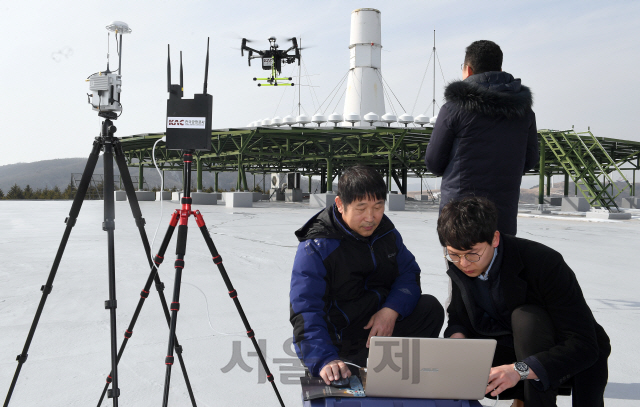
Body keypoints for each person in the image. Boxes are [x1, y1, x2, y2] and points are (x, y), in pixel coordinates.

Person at [437, 196, 610, 407]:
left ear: (495, 239)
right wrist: (458, 337)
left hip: (564, 351)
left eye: (472, 254)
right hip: (507, 343)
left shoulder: (544, 263)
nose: (463, 263)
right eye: (454, 255)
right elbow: (458, 313)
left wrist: (519, 370)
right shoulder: (461, 261)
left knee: (526, 318)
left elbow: (583, 344)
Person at [289, 165, 444, 384]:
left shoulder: (386, 232)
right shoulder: (317, 246)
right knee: (341, 382)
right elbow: (306, 308)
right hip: (342, 340)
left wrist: (391, 310)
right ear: (340, 205)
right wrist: (324, 358)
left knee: (429, 309)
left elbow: (408, 273)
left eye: (378, 207)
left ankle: (402, 381)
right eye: (361, 208)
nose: (371, 217)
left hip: (381, 328)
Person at [425, 40, 538, 236]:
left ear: (467, 70)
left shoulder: (453, 109)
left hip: (459, 217)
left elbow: (434, 162)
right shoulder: (524, 111)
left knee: (463, 264)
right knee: (500, 264)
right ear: (501, 68)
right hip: (502, 216)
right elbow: (530, 161)